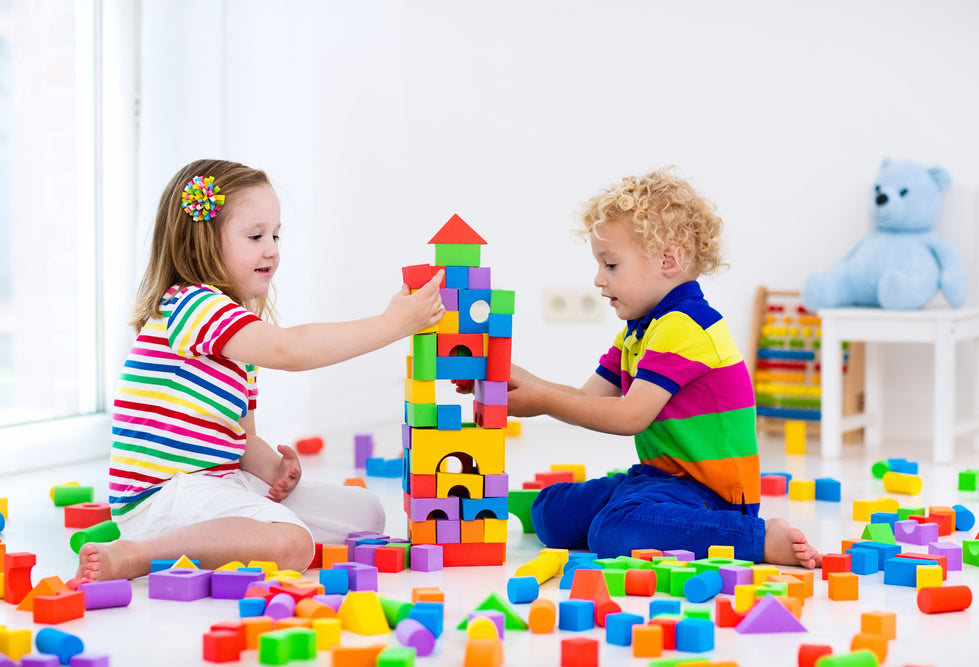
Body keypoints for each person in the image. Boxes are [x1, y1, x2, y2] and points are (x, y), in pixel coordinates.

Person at [77, 158, 444, 581]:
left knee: (367, 516)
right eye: (255, 236)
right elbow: (291, 350)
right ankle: (135, 554)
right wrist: (391, 324)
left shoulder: (235, 335)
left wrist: (275, 471)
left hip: (216, 485)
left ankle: (206, 540)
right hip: (163, 499)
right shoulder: (193, 306)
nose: (271, 248)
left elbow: (240, 437)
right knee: (292, 543)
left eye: (275, 235)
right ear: (200, 243)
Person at [502, 167, 819, 568]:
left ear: (668, 259)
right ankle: (628, 510)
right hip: (662, 478)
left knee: (612, 530)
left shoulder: (686, 326)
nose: (599, 280)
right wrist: (513, 376)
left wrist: (543, 401)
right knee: (550, 513)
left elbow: (631, 416)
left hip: (712, 495)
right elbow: (586, 398)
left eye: (611, 265)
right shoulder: (642, 330)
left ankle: (756, 538)